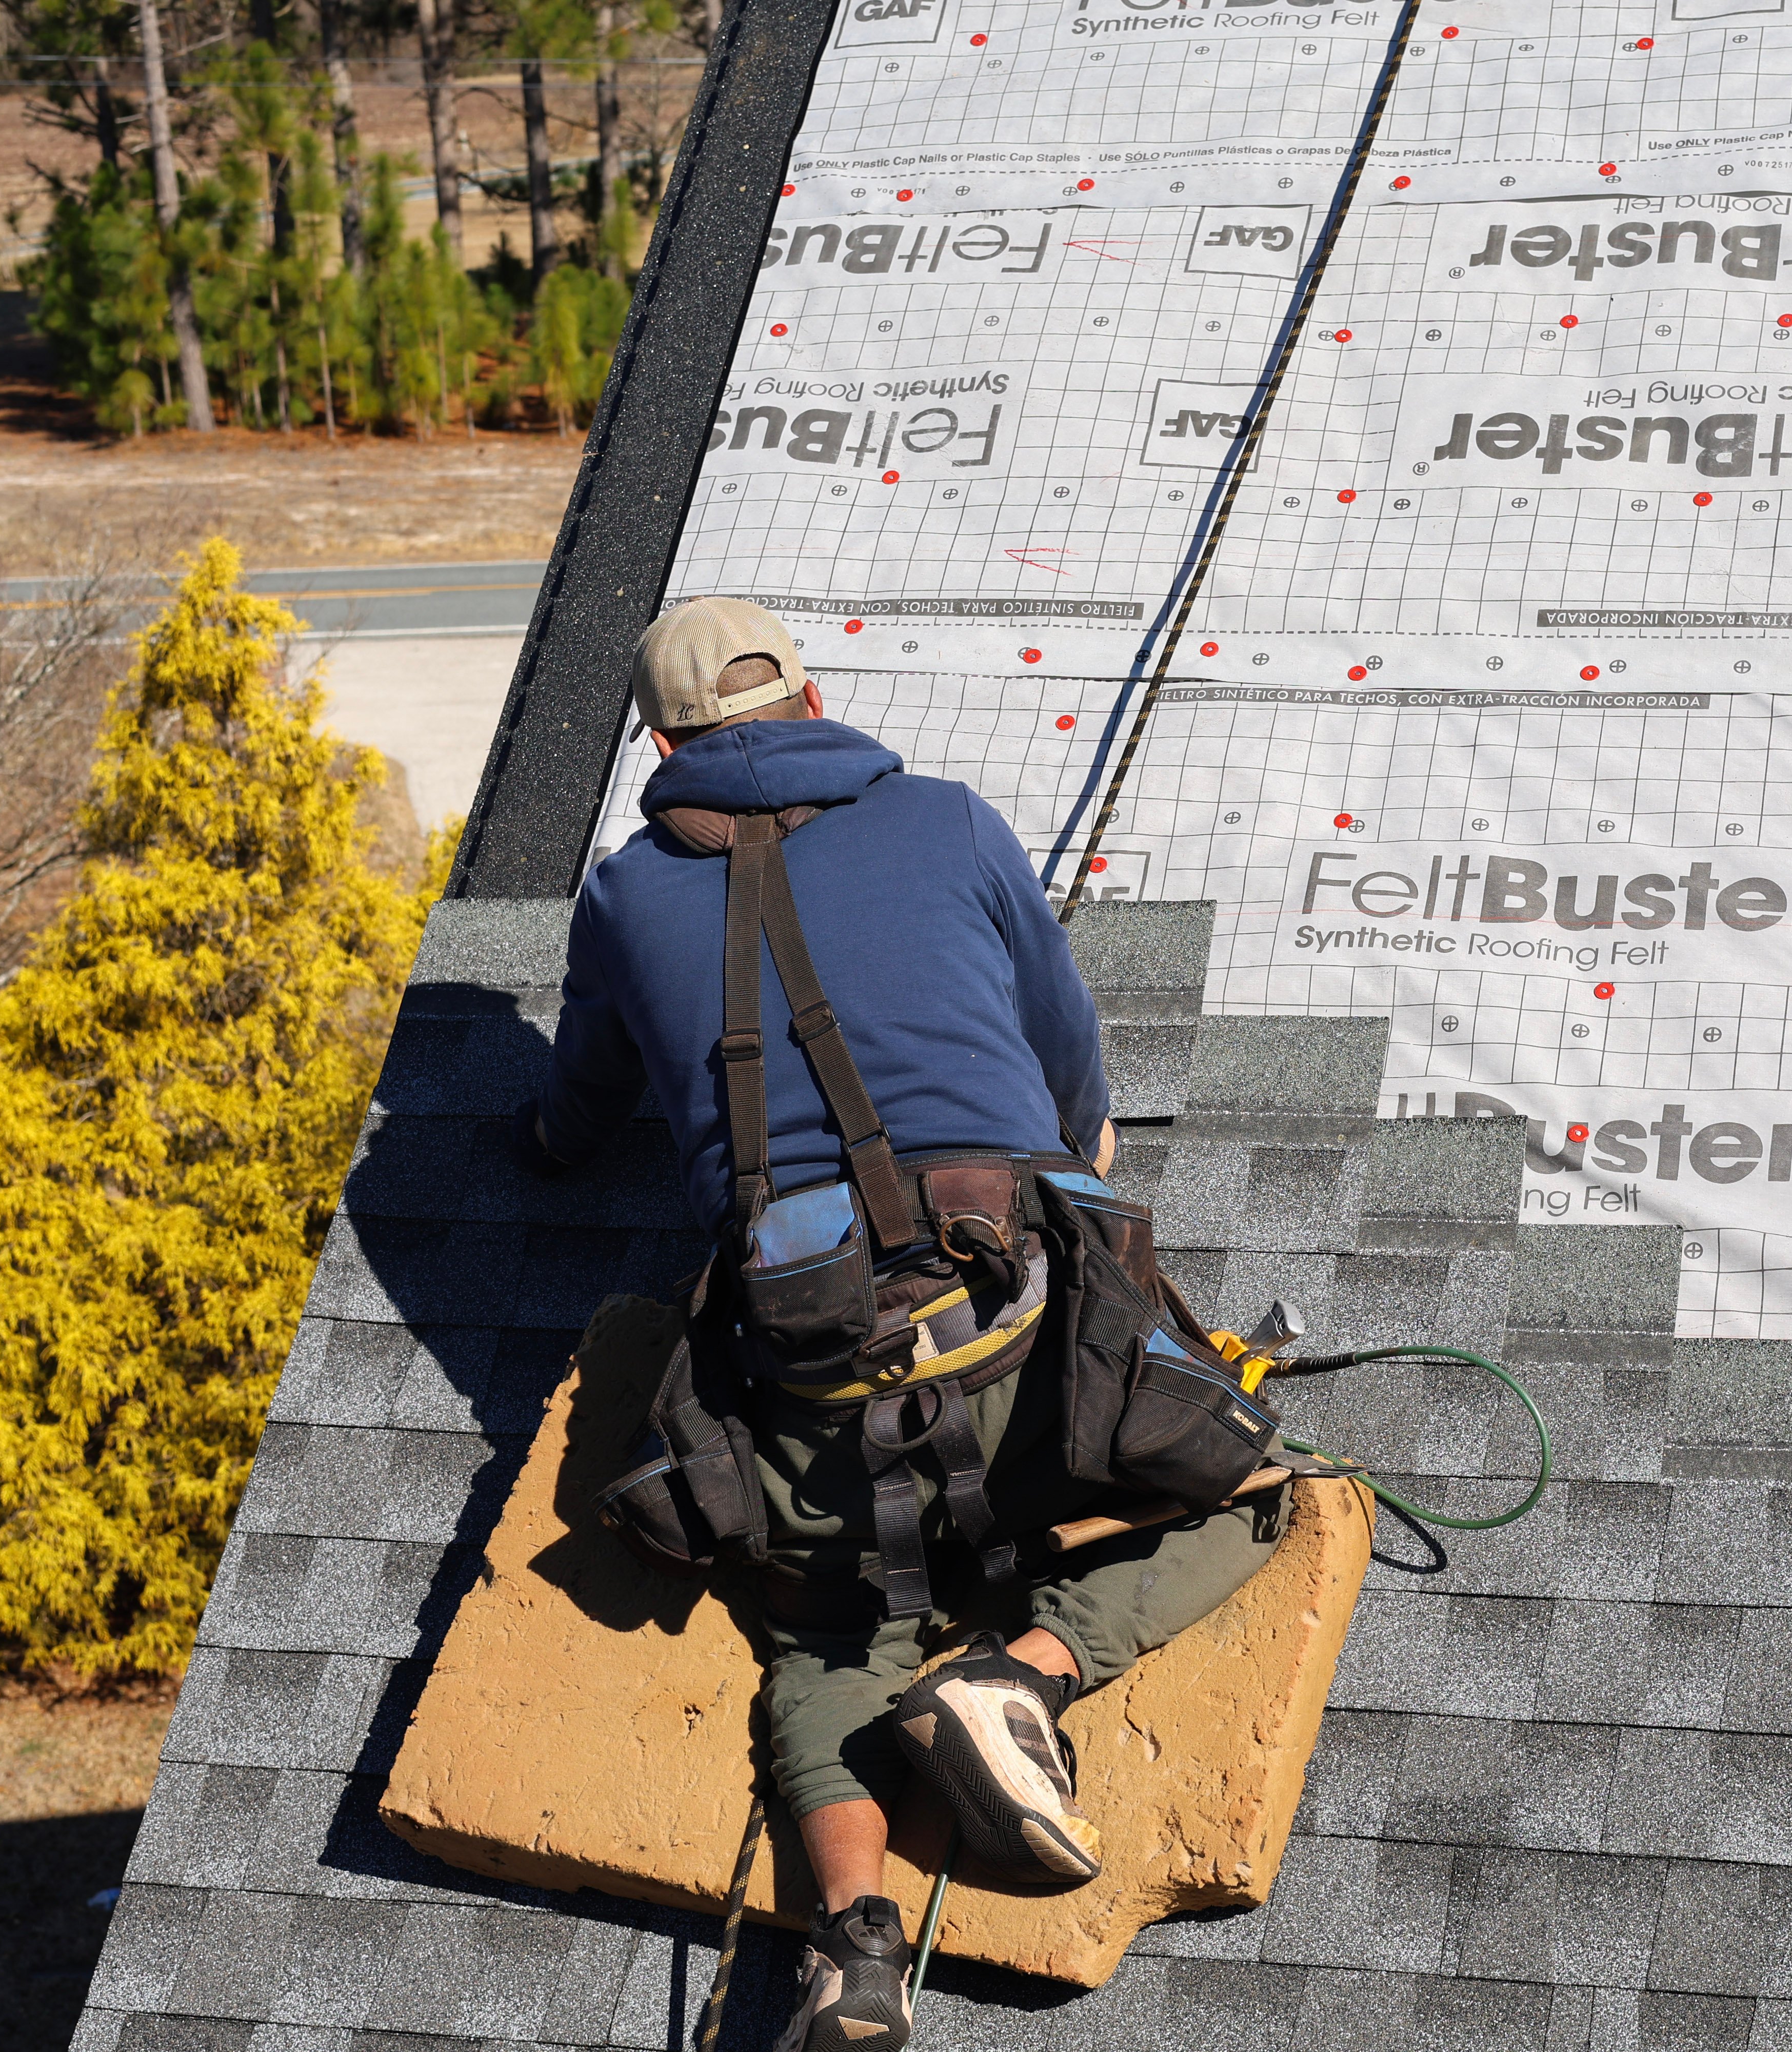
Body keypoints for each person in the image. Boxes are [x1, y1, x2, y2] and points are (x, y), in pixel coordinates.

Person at [522, 597, 1285, 2052]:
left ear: (664, 746)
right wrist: (1067, 1146)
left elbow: (585, 1104)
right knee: (1265, 1493)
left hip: (809, 1396)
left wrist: (542, 1145)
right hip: (1029, 1361)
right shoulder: (946, 820)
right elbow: (1069, 1064)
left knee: (824, 1639)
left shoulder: (623, 897)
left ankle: (855, 1950)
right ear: (816, 698)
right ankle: (1022, 1680)